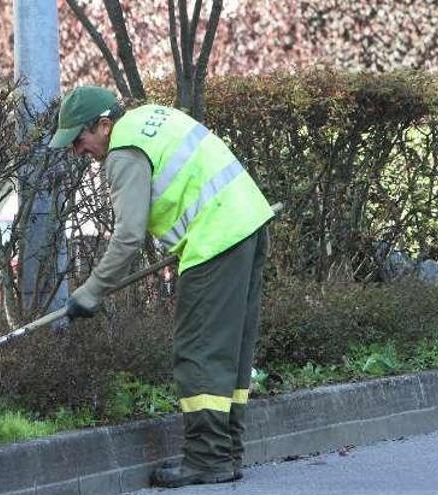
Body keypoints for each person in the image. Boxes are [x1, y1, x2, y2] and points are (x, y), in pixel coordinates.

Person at [49, 86, 273, 488]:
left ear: (103, 125)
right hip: (248, 222)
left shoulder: (123, 151)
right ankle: (226, 453)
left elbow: (129, 235)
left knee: (199, 352)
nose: (78, 152)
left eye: (79, 141)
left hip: (216, 238)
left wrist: (91, 291)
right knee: (231, 351)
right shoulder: (149, 117)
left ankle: (207, 460)